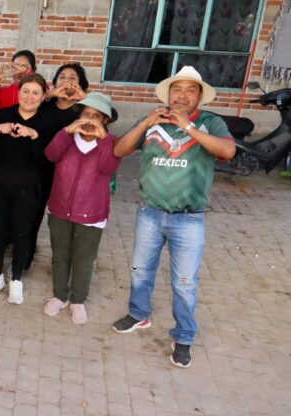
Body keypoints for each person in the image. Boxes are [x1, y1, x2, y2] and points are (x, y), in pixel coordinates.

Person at [111, 66, 236, 368]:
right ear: (168, 94)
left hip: (188, 218)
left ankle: (183, 336)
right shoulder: (154, 119)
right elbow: (119, 150)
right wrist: (145, 125)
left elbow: (228, 151)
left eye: (189, 90)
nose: (181, 95)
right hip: (150, 212)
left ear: (199, 96)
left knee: (184, 282)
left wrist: (190, 129)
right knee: (140, 270)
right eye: (176, 90)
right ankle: (139, 315)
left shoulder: (210, 122)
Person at [0, 73, 60, 304]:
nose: (30, 96)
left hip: (27, 187)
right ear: (18, 92)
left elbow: (47, 160)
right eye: (26, 91)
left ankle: (16, 278)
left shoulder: (47, 122)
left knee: (22, 232)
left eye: (36, 93)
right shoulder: (3, 114)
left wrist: (34, 136)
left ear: (43, 96)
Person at [43, 93, 121, 323]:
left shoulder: (111, 142)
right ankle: (59, 295)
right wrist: (66, 132)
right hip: (59, 209)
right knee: (60, 255)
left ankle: (78, 299)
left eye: (97, 116)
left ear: (105, 121)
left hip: (91, 213)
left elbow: (108, 167)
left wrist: (103, 138)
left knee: (83, 259)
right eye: (86, 114)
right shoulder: (66, 139)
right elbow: (50, 155)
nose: (90, 120)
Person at [25, 62, 90, 270]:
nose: (67, 81)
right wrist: (50, 95)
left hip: (70, 174)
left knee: (66, 221)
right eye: (62, 77)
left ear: (81, 85)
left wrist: (85, 101)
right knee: (31, 214)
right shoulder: (44, 105)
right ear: (54, 83)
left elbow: (104, 122)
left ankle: (67, 264)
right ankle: (25, 257)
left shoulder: (84, 110)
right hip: (38, 169)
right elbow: (26, 104)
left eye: (73, 78)